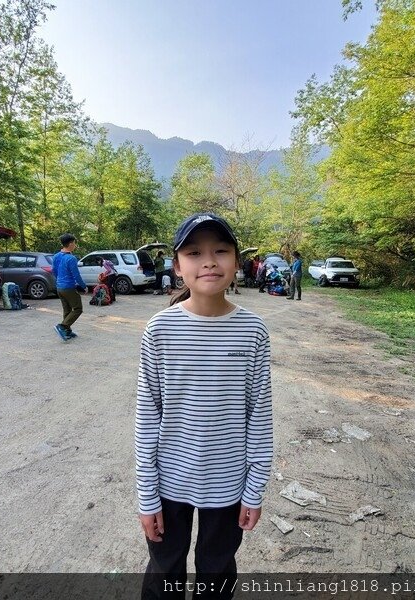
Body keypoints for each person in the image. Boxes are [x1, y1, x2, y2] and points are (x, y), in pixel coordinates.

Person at [135, 212, 273, 599]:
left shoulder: (253, 331)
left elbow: (258, 415)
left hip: (228, 485)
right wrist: (147, 495)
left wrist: (254, 489)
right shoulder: (160, 330)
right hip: (169, 483)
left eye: (221, 251)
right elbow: (148, 417)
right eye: (194, 252)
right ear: (177, 266)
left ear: (236, 262)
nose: (209, 261)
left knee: (216, 573)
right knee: (165, 575)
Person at [51, 233, 87, 340]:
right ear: (70, 244)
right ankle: (62, 326)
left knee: (67, 310)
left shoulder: (56, 256)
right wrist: (83, 286)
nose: (75, 245)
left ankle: (67, 331)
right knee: (78, 308)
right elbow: (76, 275)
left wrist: (59, 280)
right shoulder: (71, 258)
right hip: (68, 287)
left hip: (59, 287)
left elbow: (54, 270)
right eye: (74, 243)